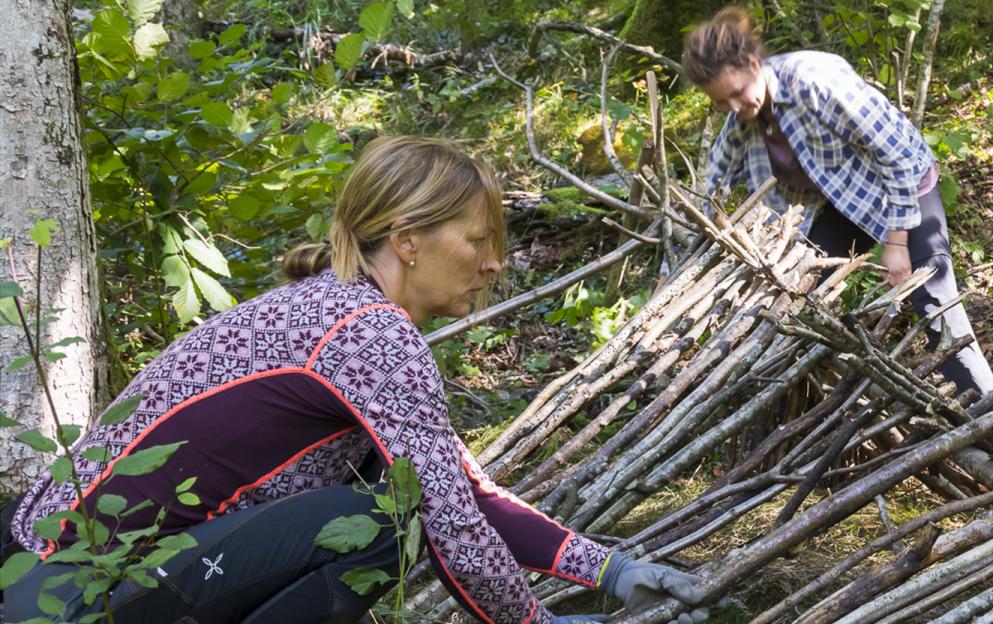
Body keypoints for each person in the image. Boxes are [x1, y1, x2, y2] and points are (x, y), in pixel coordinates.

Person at [2, 137, 708, 624]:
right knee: (380, 519)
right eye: (479, 239)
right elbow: (450, 520)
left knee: (392, 501)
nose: (495, 264)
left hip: (66, 575)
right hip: (65, 594)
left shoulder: (340, 314)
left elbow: (463, 489)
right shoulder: (367, 332)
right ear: (407, 240)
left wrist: (611, 571)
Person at [685, 6, 993, 397]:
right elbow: (706, 194)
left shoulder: (816, 82)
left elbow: (897, 155)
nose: (732, 108)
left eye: (735, 94)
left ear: (751, 64)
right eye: (720, 102)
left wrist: (897, 244)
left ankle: (985, 410)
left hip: (903, 184)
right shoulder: (741, 122)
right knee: (795, 294)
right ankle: (801, 403)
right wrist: (671, 271)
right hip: (841, 203)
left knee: (932, 297)